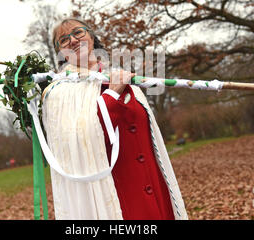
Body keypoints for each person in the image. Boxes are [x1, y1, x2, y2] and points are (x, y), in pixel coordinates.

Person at [39, 17, 188, 220]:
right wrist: (112, 96)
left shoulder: (120, 77)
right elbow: (80, 138)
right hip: (115, 194)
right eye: (63, 39)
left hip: (153, 185)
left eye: (78, 33)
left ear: (91, 36)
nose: (72, 40)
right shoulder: (59, 92)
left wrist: (119, 88)